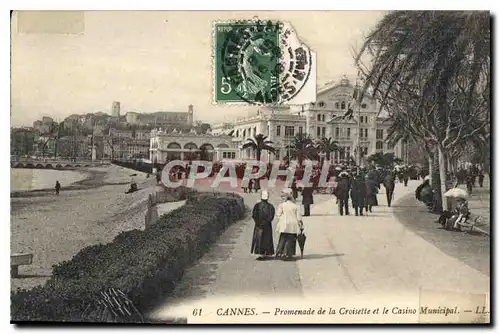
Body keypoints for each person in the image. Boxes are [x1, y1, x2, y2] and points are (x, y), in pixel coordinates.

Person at [275, 188, 303, 261]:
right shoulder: (295, 206)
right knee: (291, 239)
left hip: (284, 224)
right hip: (293, 224)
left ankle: (280, 252)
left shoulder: (282, 205)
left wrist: (282, 219)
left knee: (283, 238)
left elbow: (278, 214)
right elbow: (299, 218)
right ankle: (289, 254)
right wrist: (300, 225)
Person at [251, 190, 275, 260]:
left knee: (259, 239)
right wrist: (266, 223)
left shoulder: (257, 205)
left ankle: (259, 252)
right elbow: (271, 217)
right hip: (267, 225)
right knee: (267, 239)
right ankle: (267, 252)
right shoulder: (271, 206)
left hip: (258, 225)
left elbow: (254, 215)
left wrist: (258, 222)